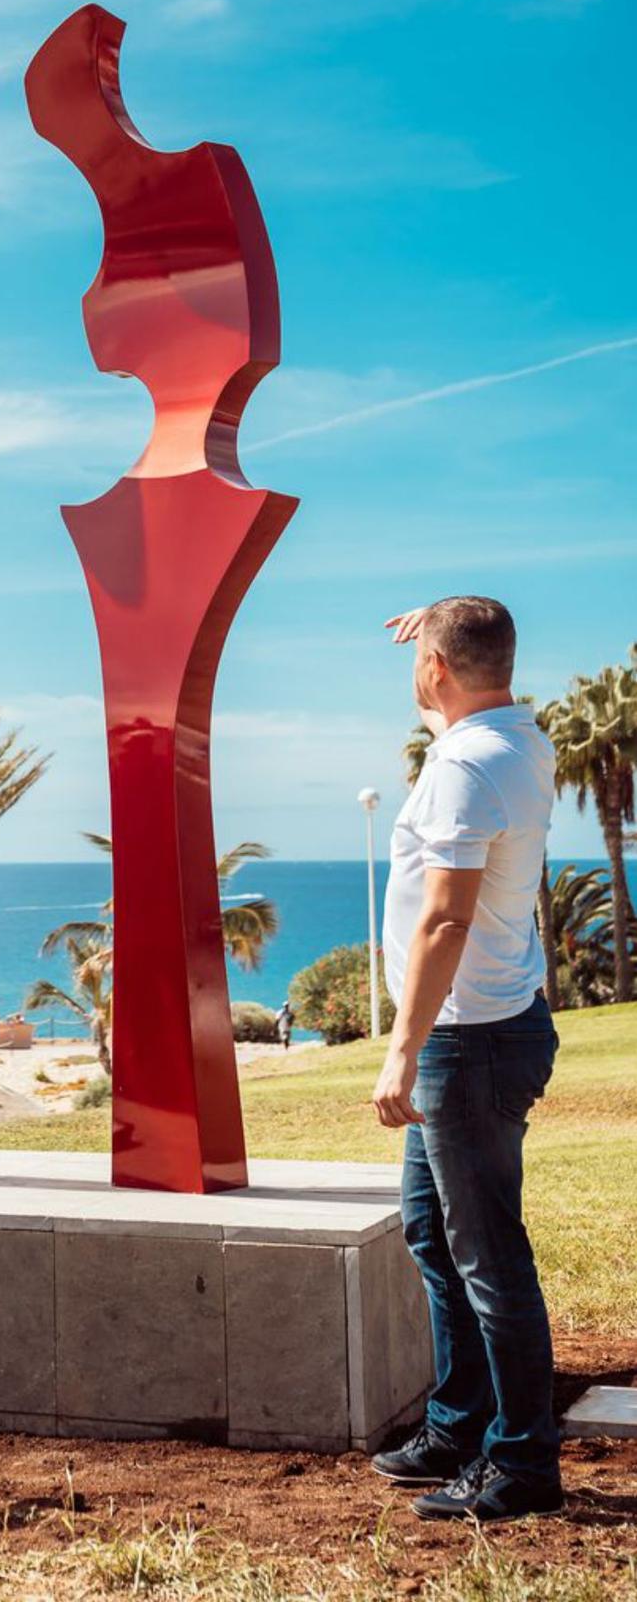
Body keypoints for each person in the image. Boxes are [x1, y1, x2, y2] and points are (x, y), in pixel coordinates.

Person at [369, 597, 562, 1524]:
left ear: (436, 670)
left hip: (465, 1043)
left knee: (487, 1257)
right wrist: (447, 618)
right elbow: (472, 654)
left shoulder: (466, 766)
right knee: (432, 1233)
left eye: (423, 659)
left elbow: (444, 919)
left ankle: (522, 1465)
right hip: (488, 1030)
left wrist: (400, 1053)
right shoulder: (517, 738)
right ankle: (458, 1420)